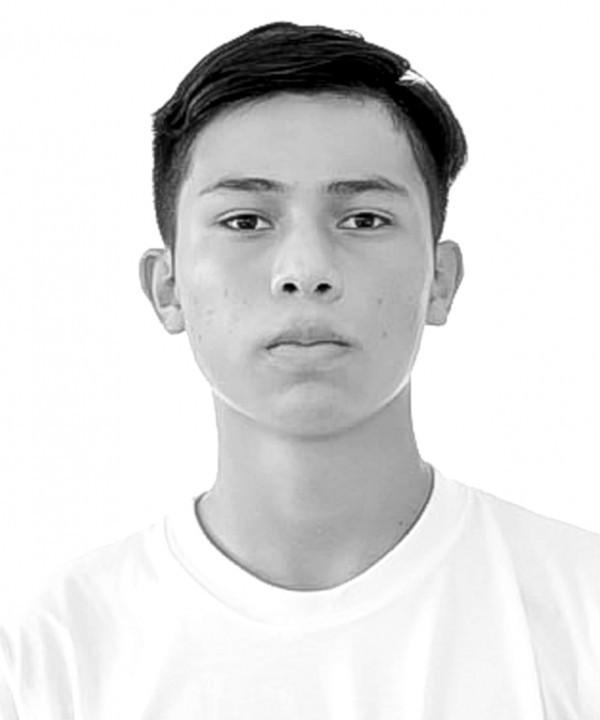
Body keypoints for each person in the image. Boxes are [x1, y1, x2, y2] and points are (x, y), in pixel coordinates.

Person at [1, 20, 599, 718]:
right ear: (168, 288)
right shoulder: (52, 657)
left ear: (440, 280)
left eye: (364, 219)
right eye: (246, 221)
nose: (306, 270)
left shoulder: (581, 614)